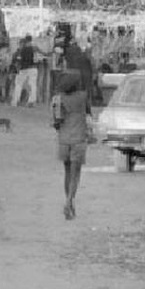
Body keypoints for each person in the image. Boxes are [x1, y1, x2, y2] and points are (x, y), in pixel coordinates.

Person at [52, 71, 92, 220]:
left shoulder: (58, 99)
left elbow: (56, 122)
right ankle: (69, 202)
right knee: (76, 174)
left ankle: (69, 203)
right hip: (79, 139)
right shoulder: (83, 97)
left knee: (67, 173)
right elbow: (89, 115)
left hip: (64, 140)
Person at [10, 35, 39, 107]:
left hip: (24, 69)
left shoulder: (21, 50)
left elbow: (18, 60)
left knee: (19, 84)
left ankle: (15, 101)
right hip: (33, 68)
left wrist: (16, 68)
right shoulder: (34, 48)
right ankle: (32, 101)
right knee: (32, 85)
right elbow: (38, 58)